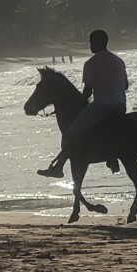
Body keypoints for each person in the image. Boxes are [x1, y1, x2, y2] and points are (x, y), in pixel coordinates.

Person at [38, 29, 128, 179]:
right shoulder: (118, 61)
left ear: (98, 43)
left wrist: (77, 103)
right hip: (120, 105)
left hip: (102, 106)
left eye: (91, 42)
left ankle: (58, 168)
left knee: (71, 133)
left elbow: (87, 92)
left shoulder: (91, 63)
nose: (90, 45)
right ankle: (112, 158)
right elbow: (125, 86)